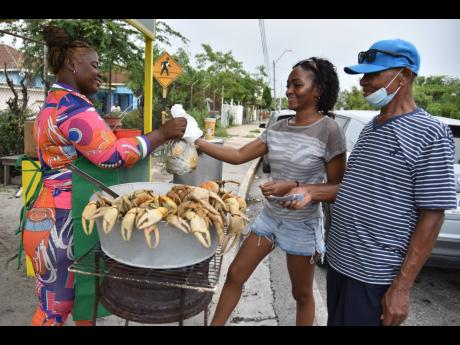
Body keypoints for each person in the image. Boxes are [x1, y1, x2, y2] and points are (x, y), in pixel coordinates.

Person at [22, 26, 187, 326]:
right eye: (95, 65)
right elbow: (111, 155)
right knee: (54, 314)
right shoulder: (70, 106)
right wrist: (161, 134)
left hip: (51, 217)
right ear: (73, 65)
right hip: (60, 226)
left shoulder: (57, 102)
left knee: (82, 305)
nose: (99, 73)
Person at [194, 57, 347, 325]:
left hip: (302, 225)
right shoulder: (276, 129)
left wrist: (297, 187)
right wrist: (198, 142)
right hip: (269, 218)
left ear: (318, 89)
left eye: (296, 85)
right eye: (287, 85)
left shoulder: (329, 131)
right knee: (235, 275)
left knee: (301, 295)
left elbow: (338, 187)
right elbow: (239, 154)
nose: (288, 90)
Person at [316, 39, 456, 326]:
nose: (363, 82)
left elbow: (433, 215)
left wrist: (401, 289)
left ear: (403, 76)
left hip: (373, 276)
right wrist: (306, 191)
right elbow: (355, 189)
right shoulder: (372, 127)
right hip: (340, 264)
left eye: (372, 74)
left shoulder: (431, 134)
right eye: (363, 75)